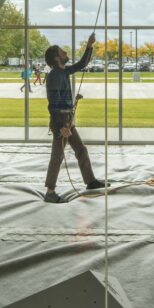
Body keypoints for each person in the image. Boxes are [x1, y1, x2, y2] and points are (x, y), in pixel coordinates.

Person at [42, 34, 107, 203]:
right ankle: (50, 192)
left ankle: (90, 181)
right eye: (62, 52)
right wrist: (61, 126)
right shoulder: (54, 76)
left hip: (67, 121)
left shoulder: (63, 71)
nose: (65, 53)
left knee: (81, 150)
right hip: (62, 123)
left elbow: (82, 64)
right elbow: (53, 104)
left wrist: (89, 46)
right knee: (57, 157)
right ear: (57, 58)